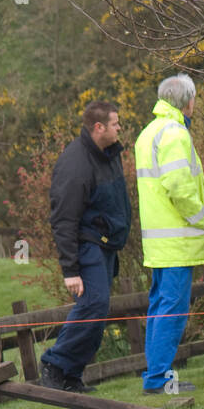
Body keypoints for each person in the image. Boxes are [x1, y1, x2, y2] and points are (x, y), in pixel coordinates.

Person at [135, 74, 204, 393]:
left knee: (160, 307)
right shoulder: (174, 133)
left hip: (159, 242)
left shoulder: (149, 132)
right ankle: (159, 379)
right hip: (176, 240)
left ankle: (155, 375)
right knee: (172, 309)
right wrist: (200, 218)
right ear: (189, 101)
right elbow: (178, 186)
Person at [41, 100, 132, 393]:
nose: (120, 128)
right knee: (93, 304)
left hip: (106, 246)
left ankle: (71, 375)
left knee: (99, 309)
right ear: (99, 127)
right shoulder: (76, 163)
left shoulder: (110, 154)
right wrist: (71, 270)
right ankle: (54, 363)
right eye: (116, 124)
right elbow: (64, 219)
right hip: (87, 244)